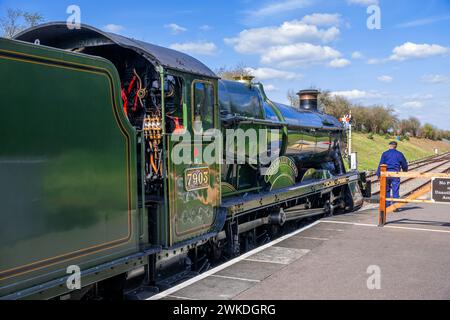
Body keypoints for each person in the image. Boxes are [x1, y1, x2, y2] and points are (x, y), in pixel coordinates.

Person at [376, 141, 408, 210]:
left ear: (389, 146)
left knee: (386, 190)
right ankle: (395, 206)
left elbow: (381, 164)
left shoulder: (385, 154)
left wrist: (378, 174)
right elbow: (404, 163)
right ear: (396, 146)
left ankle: (387, 206)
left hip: (386, 174)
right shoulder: (399, 154)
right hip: (395, 174)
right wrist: (405, 170)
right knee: (395, 190)